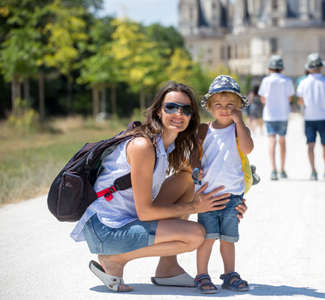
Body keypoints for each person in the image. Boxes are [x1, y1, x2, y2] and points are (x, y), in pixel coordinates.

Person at [70, 82, 247, 292]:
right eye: (171, 107)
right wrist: (195, 208)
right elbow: (145, 212)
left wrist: (230, 203)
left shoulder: (167, 145)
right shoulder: (143, 146)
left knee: (187, 178)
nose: (178, 113)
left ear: (192, 117)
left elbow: (211, 175)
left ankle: (168, 267)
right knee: (197, 235)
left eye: (186, 109)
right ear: (158, 111)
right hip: (107, 229)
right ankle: (115, 258)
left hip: (125, 219)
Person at [190, 75, 254, 294]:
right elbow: (194, 156)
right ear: (209, 106)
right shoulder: (203, 130)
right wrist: (195, 171)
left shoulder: (239, 130)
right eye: (218, 105)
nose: (224, 109)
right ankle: (202, 274)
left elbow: (247, 149)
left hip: (233, 196)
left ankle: (229, 274)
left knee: (228, 239)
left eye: (230, 105)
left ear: (239, 107)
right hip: (208, 196)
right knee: (207, 239)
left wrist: (240, 122)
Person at [296, 53, 325, 180]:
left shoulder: (303, 82)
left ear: (309, 68)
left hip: (309, 118)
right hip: (323, 117)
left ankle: (313, 171)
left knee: (310, 145)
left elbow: (300, 101)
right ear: (320, 67)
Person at [258, 55, 295, 180]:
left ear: (270, 68)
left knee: (271, 140)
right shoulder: (287, 81)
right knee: (282, 141)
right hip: (283, 115)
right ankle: (282, 169)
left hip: (269, 115)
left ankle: (273, 170)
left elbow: (263, 99)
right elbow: (290, 98)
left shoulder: (265, 81)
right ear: (282, 68)